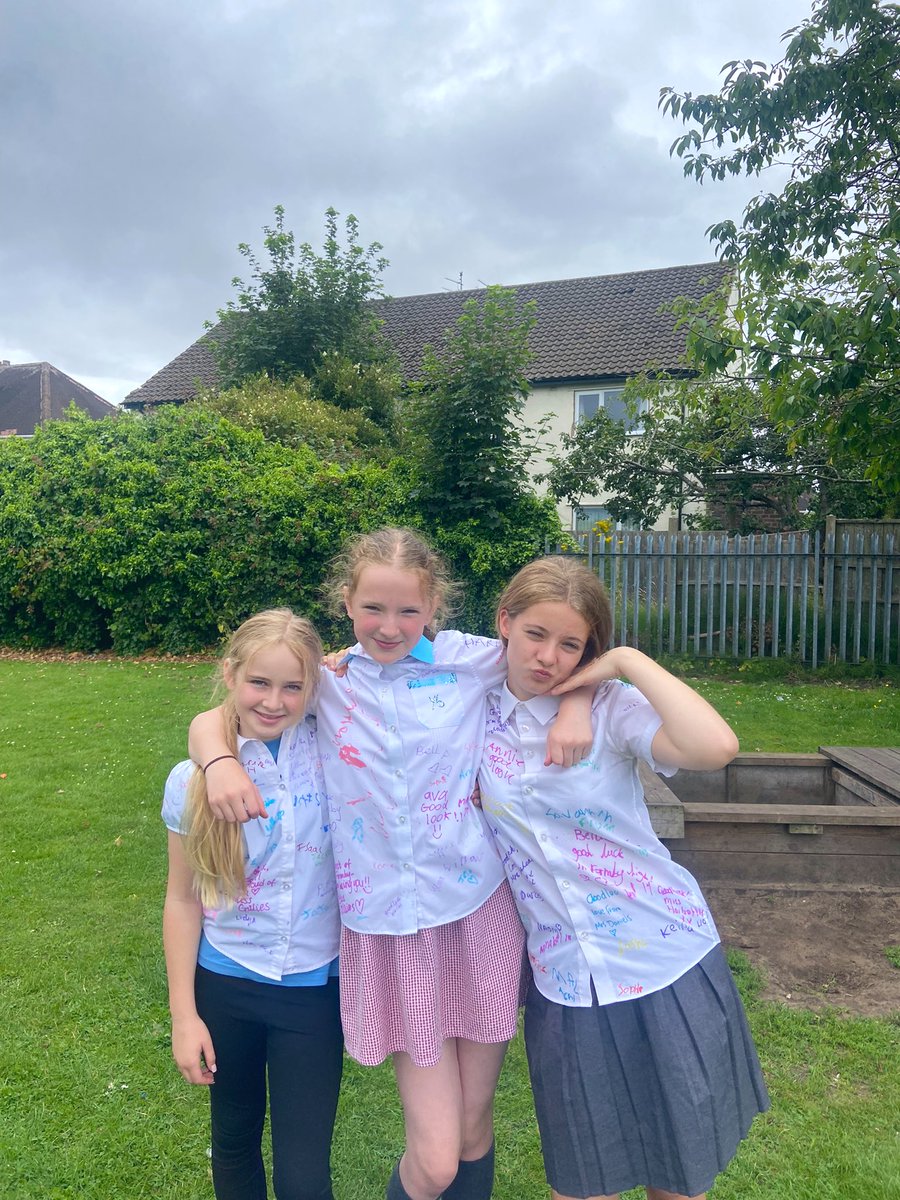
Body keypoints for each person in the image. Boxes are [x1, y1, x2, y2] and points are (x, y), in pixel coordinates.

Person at [189, 528, 593, 1200]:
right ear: (346, 602)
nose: (389, 626)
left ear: (433, 606)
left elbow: (563, 665)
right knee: (435, 1159)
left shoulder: (473, 662)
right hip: (390, 929)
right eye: (373, 608)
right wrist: (220, 759)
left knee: (472, 1129)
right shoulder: (327, 681)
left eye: (408, 610)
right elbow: (220, 713)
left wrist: (575, 705)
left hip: (477, 914)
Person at [477, 555, 769, 1200]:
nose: (548, 656)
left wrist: (623, 663)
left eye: (570, 644)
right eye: (535, 634)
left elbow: (715, 747)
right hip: (564, 977)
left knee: (677, 1176)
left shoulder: (613, 707)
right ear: (504, 622)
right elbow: (387, 649)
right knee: (583, 1182)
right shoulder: (469, 703)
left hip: (661, 956)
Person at [162, 609, 342, 1200]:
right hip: (226, 984)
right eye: (259, 682)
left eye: (292, 686)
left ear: (313, 687)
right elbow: (182, 899)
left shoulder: (335, 751)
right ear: (230, 675)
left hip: (312, 989)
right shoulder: (191, 779)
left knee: (304, 1175)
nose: (273, 700)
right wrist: (184, 1016)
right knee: (234, 1143)